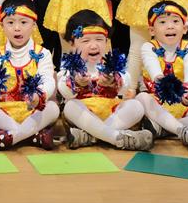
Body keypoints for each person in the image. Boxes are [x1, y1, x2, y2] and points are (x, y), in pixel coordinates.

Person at [58, 10, 153, 151]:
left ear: (106, 41)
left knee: (136, 106)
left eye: (99, 39)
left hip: (112, 113)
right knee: (70, 107)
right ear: (72, 43)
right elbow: (65, 91)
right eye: (86, 41)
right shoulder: (70, 66)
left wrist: (113, 80)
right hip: (85, 115)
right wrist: (77, 82)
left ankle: (91, 137)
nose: (94, 45)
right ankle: (116, 138)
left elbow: (124, 86)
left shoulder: (111, 65)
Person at [133, 1, 188, 153]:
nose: (170, 26)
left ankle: (163, 129)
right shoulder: (148, 47)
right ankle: (183, 131)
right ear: (152, 30)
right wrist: (165, 85)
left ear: (185, 28)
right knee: (141, 98)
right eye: (162, 22)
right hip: (157, 102)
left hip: (182, 103)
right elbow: (156, 75)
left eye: (175, 21)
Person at [0, 0, 60, 152]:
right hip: (5, 109)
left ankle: (8, 137)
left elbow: (48, 80)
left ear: (34, 25)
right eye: (10, 22)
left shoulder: (42, 53)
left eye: (23, 22)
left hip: (32, 109)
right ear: (1, 25)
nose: (17, 28)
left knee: (53, 109)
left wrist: (39, 95)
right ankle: (32, 135)